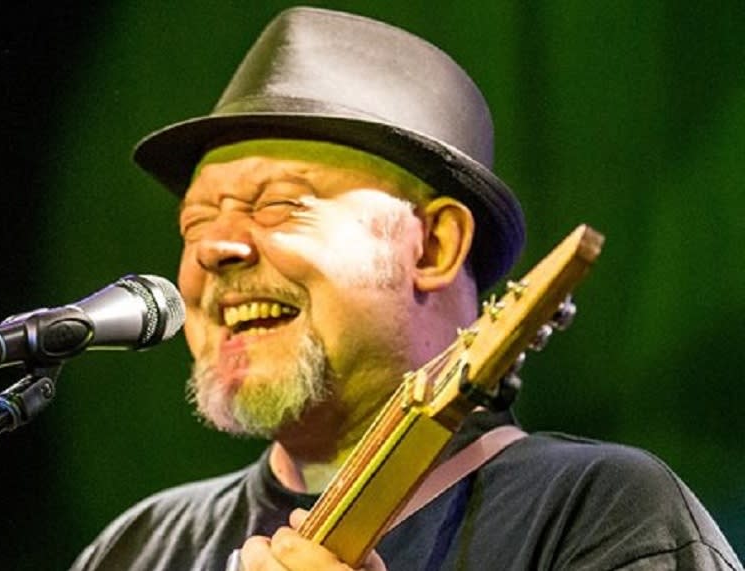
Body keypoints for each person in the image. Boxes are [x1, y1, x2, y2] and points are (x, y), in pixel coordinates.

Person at [71, 7, 742, 570]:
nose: (214, 250)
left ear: (434, 245)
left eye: (279, 205)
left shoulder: (604, 512)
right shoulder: (138, 547)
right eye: (195, 221)